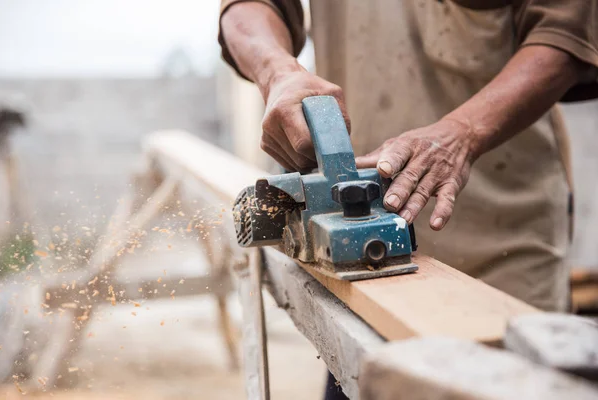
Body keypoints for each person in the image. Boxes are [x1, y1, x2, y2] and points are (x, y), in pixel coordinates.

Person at [218, 3, 597, 395]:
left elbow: (567, 31)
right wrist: (277, 71)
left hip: (501, 237)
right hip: (359, 284)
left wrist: (463, 132)